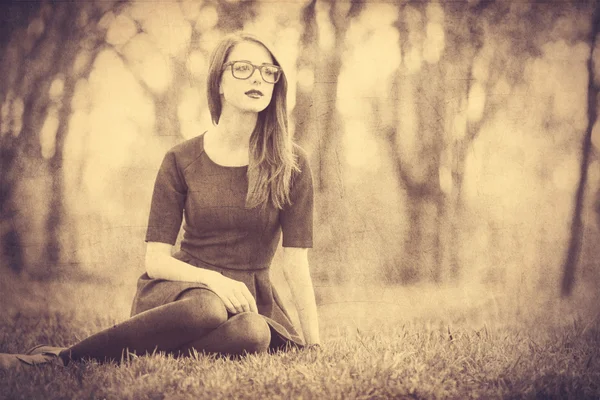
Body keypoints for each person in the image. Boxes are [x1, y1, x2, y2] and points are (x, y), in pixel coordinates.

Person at [0, 32, 320, 368]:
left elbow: (296, 261)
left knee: (254, 333)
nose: (258, 77)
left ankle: (146, 349)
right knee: (207, 307)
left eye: (269, 71)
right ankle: (59, 358)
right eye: (243, 68)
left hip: (249, 300)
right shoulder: (180, 159)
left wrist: (313, 344)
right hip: (182, 292)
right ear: (219, 82)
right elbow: (156, 259)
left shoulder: (291, 164)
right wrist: (213, 279)